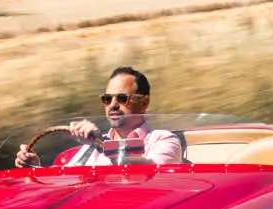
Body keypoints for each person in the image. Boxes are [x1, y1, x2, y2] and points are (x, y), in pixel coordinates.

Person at [14, 66, 186, 168]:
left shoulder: (164, 140)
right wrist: (34, 166)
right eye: (107, 99)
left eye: (121, 98)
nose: (112, 105)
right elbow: (63, 185)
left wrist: (102, 145)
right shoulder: (91, 146)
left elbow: (152, 173)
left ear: (144, 103)